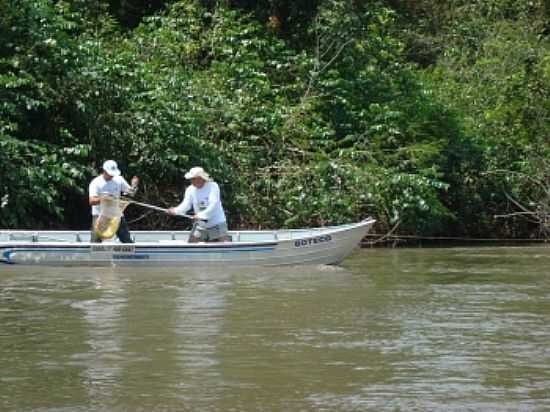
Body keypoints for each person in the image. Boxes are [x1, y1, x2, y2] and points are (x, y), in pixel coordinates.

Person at [168, 166, 230, 242]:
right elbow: (186, 205)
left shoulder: (213, 186)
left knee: (225, 244)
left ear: (201, 178)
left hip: (217, 223)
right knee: (191, 243)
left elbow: (214, 205)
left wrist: (200, 215)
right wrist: (176, 210)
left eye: (193, 179)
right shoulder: (190, 189)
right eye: (191, 179)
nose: (191, 181)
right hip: (201, 224)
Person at [89, 160, 139, 243]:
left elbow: (131, 193)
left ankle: (130, 253)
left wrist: (134, 186)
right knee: (95, 241)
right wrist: (104, 198)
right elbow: (91, 201)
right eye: (110, 173)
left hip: (116, 214)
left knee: (126, 239)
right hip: (99, 215)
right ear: (104, 171)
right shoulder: (95, 183)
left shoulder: (119, 179)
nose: (112, 176)